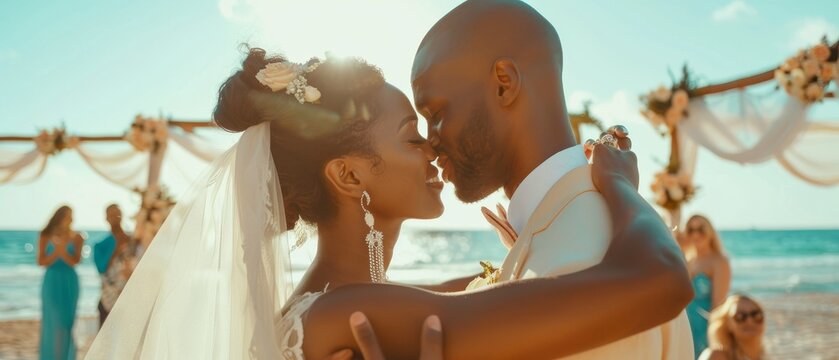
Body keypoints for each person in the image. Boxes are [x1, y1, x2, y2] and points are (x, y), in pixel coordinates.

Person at [88, 33, 691, 360]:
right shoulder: (350, 314)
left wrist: (527, 245)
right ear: (349, 177)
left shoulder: (345, 301)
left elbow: (483, 289)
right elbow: (659, 280)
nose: (433, 146)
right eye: (411, 134)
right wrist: (620, 189)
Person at [679, 214, 732, 357]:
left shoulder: (719, 261)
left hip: (705, 328)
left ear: (710, 232)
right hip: (684, 326)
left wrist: (714, 337)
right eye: (691, 230)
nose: (696, 234)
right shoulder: (686, 260)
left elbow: (718, 305)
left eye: (701, 229)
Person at [37, 205, 83, 360]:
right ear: (59, 216)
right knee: (53, 322)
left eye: (71, 215)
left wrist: (62, 250)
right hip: (51, 281)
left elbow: (75, 261)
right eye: (68, 215)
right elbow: (41, 261)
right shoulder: (45, 235)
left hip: (70, 282)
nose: (71, 219)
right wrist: (57, 251)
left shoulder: (78, 237)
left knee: (66, 323)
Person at [92, 204, 134, 327]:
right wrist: (117, 248)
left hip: (131, 298)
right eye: (111, 215)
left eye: (117, 214)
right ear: (106, 218)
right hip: (108, 300)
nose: (115, 217)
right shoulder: (100, 245)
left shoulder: (133, 241)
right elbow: (101, 268)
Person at [699, 295, 766, 360]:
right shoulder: (716, 356)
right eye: (740, 316)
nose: (749, 321)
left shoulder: (765, 356)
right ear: (727, 323)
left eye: (756, 315)